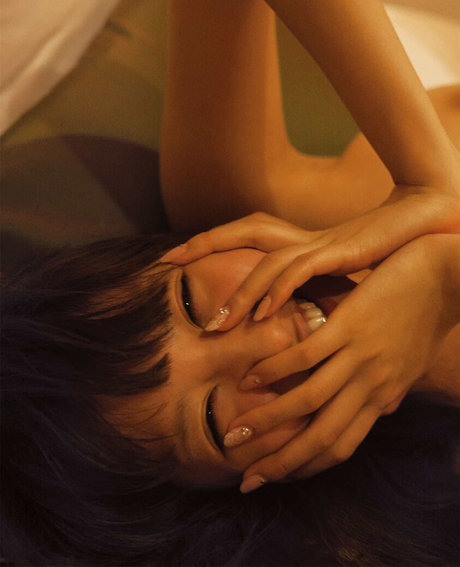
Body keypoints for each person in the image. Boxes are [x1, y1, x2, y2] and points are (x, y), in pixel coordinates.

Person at [1, 0, 459, 565]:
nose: (269, 339)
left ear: (164, 256)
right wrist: (444, 281)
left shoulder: (230, 210)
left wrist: (428, 177)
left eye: (190, 304)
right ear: (248, 486)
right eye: (215, 419)